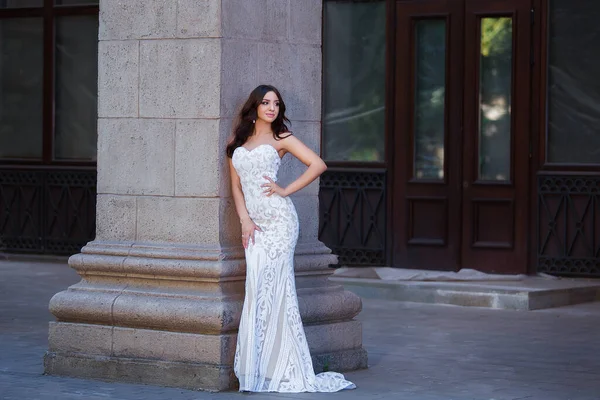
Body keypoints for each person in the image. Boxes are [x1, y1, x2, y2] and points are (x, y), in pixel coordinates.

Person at [226, 85, 356, 393]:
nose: (271, 107)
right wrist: (245, 220)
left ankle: (283, 367)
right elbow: (236, 186)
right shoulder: (237, 142)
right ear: (254, 107)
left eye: (276, 103)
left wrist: (285, 190)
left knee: (276, 289)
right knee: (257, 289)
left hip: (280, 222)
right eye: (265, 102)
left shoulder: (281, 138)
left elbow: (318, 164)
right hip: (254, 225)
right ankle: (259, 369)